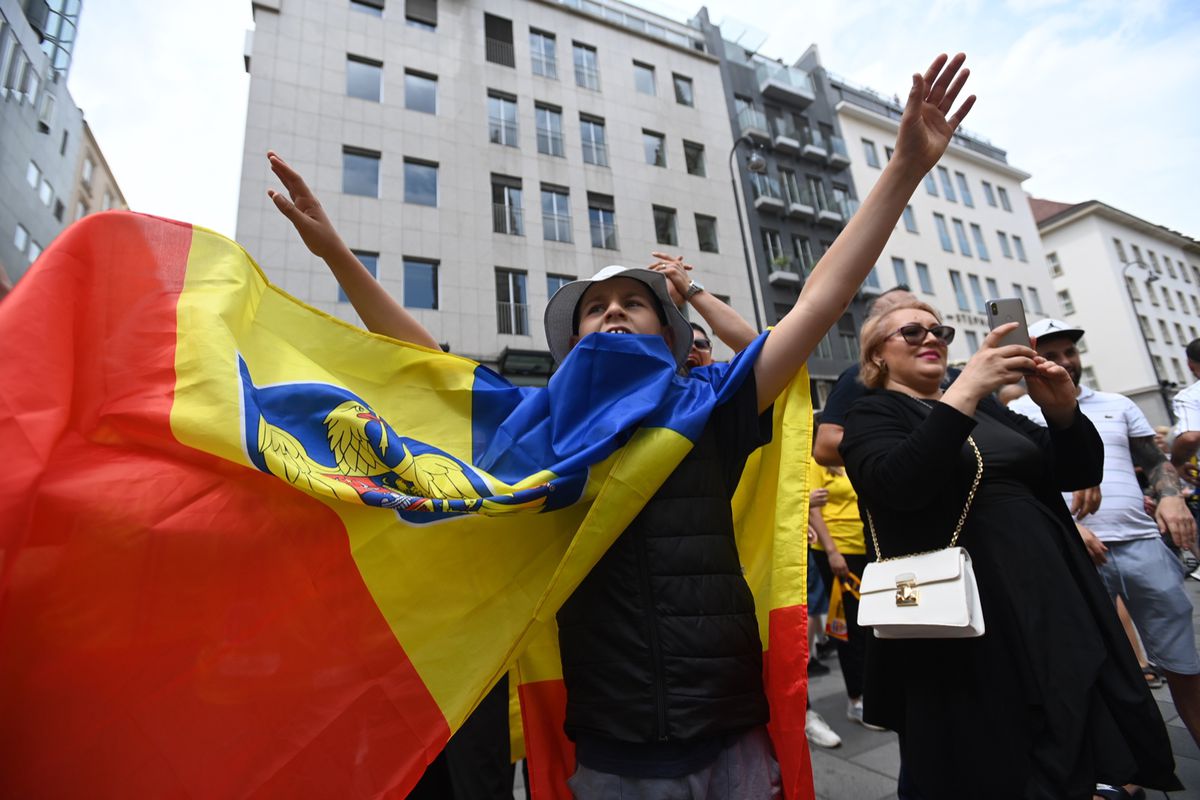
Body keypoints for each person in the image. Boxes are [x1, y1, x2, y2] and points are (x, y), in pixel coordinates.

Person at [269, 52, 979, 796]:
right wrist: (338, 257)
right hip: (608, 737)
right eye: (594, 307)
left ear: (667, 337)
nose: (611, 309)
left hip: (728, 727)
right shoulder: (532, 422)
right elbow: (426, 366)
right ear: (573, 343)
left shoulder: (709, 402)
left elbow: (819, 303)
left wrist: (902, 169)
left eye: (633, 302)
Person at [840, 300, 1179, 798]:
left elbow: (1075, 471)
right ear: (877, 356)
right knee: (996, 736)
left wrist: (1062, 411)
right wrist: (964, 393)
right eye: (911, 332)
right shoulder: (873, 411)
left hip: (1049, 580)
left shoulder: (989, 410)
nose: (931, 339)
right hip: (972, 600)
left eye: (939, 330)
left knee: (1069, 704)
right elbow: (896, 485)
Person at [1010, 319, 1200, 756]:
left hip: (1142, 545)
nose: (1064, 362)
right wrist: (1070, 525)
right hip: (1071, 556)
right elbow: (1020, 486)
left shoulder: (1118, 403)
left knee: (1184, 665)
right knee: (1093, 673)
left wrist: (1171, 498)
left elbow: (1154, 462)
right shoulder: (1018, 412)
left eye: (1069, 353)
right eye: (1051, 354)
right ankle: (1125, 771)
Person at [806, 452, 882, 733]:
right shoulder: (817, 463)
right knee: (851, 626)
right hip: (837, 551)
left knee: (870, 624)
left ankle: (871, 693)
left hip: (864, 547)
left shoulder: (852, 459)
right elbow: (813, 510)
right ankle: (857, 698)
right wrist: (832, 551)